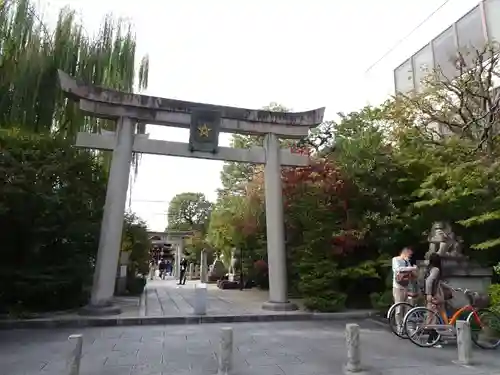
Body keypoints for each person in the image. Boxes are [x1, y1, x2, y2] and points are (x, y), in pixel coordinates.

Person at [392, 247, 417, 332]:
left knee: (407, 307)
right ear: (405, 253)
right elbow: (398, 269)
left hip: (407, 286)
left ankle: (405, 325)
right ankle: (399, 326)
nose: (410, 256)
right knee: (399, 307)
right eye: (409, 254)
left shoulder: (407, 261)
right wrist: (412, 268)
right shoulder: (395, 259)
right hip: (398, 287)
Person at [425, 252, 446, 347]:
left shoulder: (429, 268)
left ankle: (437, 336)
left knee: (434, 316)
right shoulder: (436, 270)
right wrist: (429, 294)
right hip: (434, 295)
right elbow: (429, 281)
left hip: (434, 294)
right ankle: (430, 340)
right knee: (434, 317)